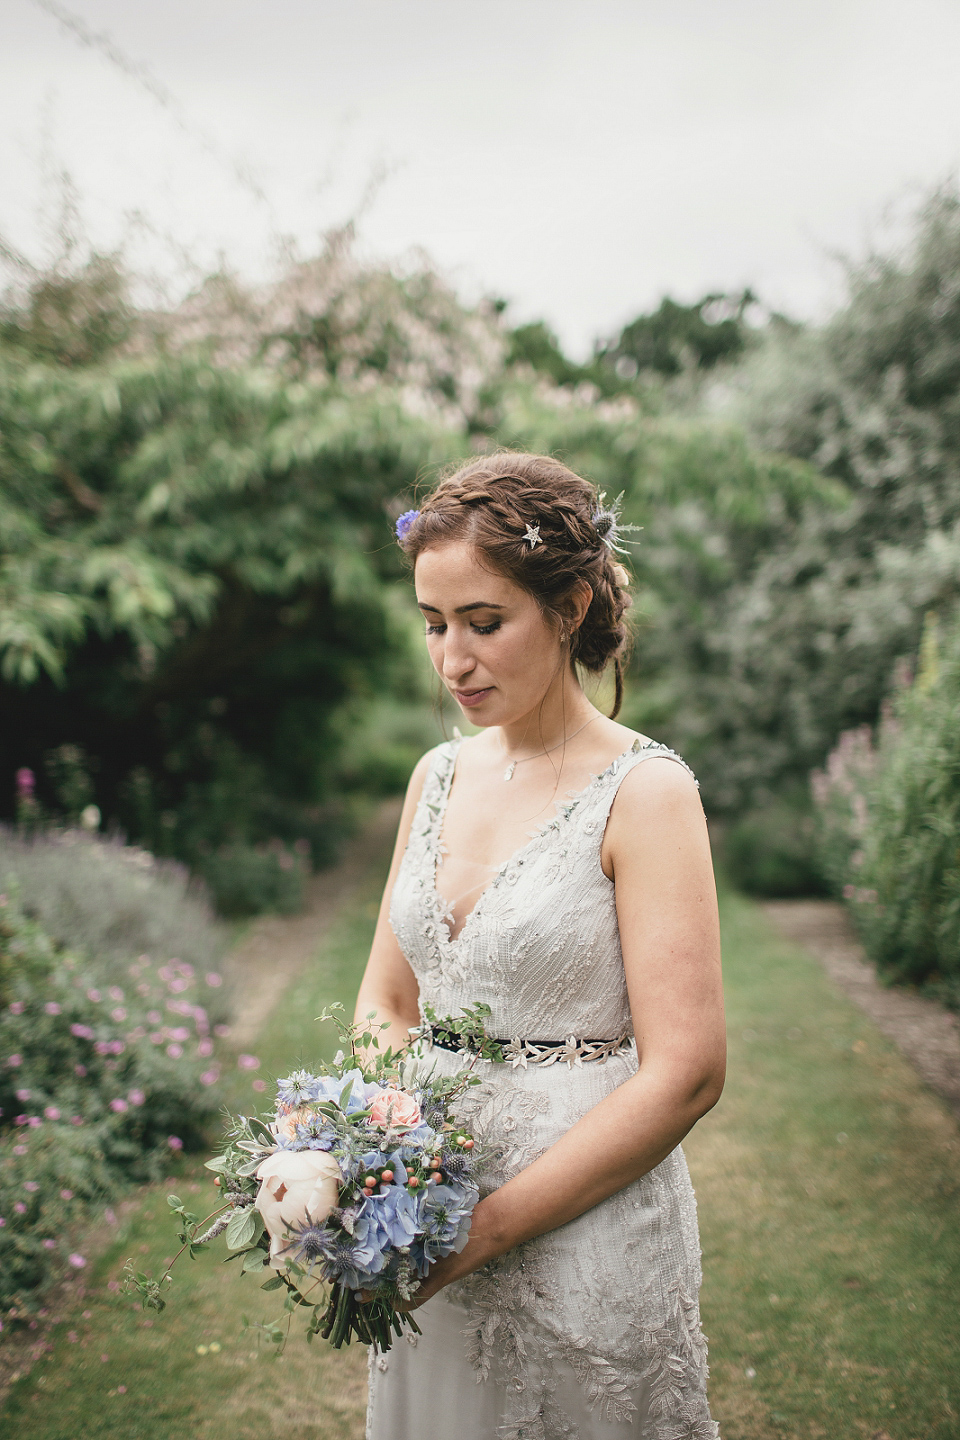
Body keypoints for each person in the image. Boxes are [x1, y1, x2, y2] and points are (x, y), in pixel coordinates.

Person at [356, 452, 725, 1440]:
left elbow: (687, 1073)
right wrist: (386, 1143)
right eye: (434, 626)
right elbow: (386, 1002)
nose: (453, 661)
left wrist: (483, 1230)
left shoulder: (647, 792)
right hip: (426, 1212)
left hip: (584, 1230)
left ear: (566, 606)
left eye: (484, 623)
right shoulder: (435, 776)